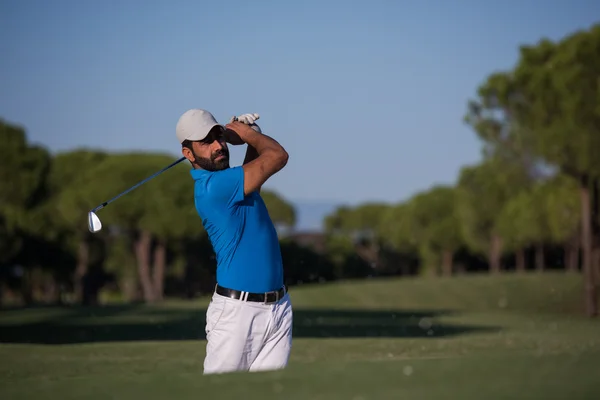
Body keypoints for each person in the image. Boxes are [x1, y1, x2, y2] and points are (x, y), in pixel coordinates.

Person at [175, 108, 292, 375]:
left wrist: (249, 135)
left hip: (278, 308)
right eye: (206, 142)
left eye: (220, 137)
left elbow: (255, 169)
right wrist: (248, 134)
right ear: (188, 154)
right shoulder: (213, 188)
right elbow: (277, 156)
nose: (219, 146)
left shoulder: (233, 184)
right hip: (237, 313)